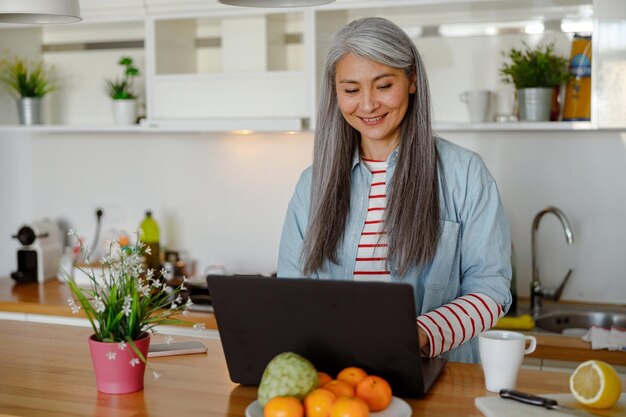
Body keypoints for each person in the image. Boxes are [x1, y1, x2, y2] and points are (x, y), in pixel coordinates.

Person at [277, 17, 511, 363]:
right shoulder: (313, 184)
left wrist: (415, 335)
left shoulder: (465, 174)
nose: (368, 105)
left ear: (412, 80)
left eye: (383, 85)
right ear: (336, 92)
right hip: (339, 380)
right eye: (351, 90)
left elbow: (490, 290)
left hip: (439, 379)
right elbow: (290, 293)